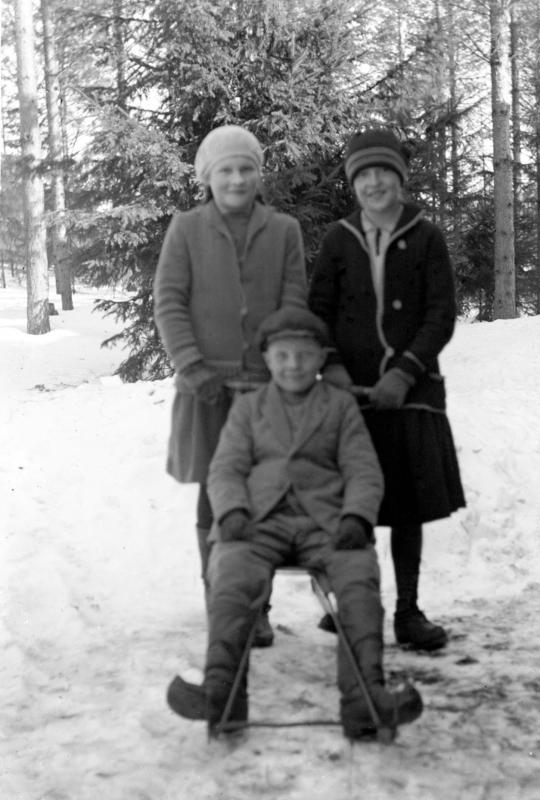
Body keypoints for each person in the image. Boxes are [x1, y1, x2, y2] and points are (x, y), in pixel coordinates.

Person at [166, 306, 423, 739]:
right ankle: (222, 694)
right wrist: (232, 511)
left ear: (321, 358)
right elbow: (225, 469)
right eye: (283, 355)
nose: (293, 365)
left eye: (304, 355)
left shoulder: (339, 406)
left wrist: (356, 517)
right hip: (258, 523)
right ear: (267, 358)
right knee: (230, 580)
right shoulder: (249, 407)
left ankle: (365, 698)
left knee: (358, 581)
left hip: (327, 524)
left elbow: (363, 470)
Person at [308, 128, 466, 651]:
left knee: (406, 505)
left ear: (400, 178)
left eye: (384, 173)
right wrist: (331, 368)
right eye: (364, 175)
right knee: (354, 506)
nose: (374, 183)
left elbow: (441, 314)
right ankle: (357, 603)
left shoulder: (426, 236)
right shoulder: (338, 239)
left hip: (412, 392)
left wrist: (404, 372)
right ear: (353, 183)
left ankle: (408, 611)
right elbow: (318, 311)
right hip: (350, 393)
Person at [153, 125, 307, 647]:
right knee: (213, 496)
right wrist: (192, 366)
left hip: (265, 390)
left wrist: (282, 372)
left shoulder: (284, 230)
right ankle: (220, 601)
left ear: (259, 175)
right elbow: (169, 302)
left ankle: (257, 608)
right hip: (207, 390)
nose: (237, 179)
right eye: (226, 170)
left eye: (246, 169)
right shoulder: (186, 229)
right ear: (208, 177)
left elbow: (293, 303)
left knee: (263, 496)